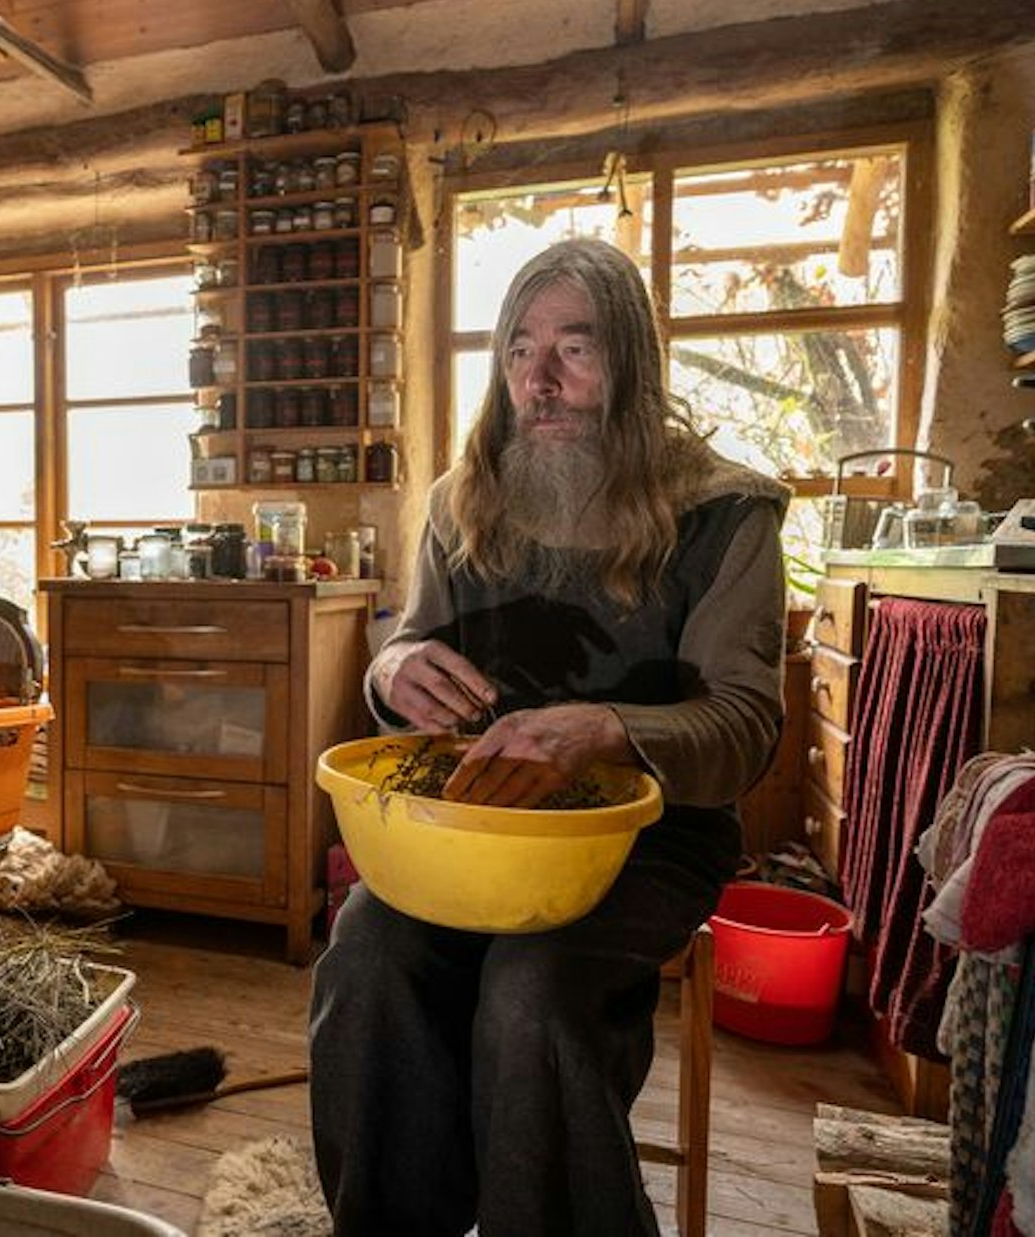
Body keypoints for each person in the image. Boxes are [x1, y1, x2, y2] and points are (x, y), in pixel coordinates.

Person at [309, 237, 789, 1235]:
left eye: (575, 349)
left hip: (648, 838)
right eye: (519, 350)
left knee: (529, 985)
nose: (540, 380)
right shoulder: (461, 498)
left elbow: (742, 728)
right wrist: (392, 671)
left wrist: (610, 728)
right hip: (472, 824)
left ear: (631, 364)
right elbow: (399, 653)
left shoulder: (724, 511)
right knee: (363, 952)